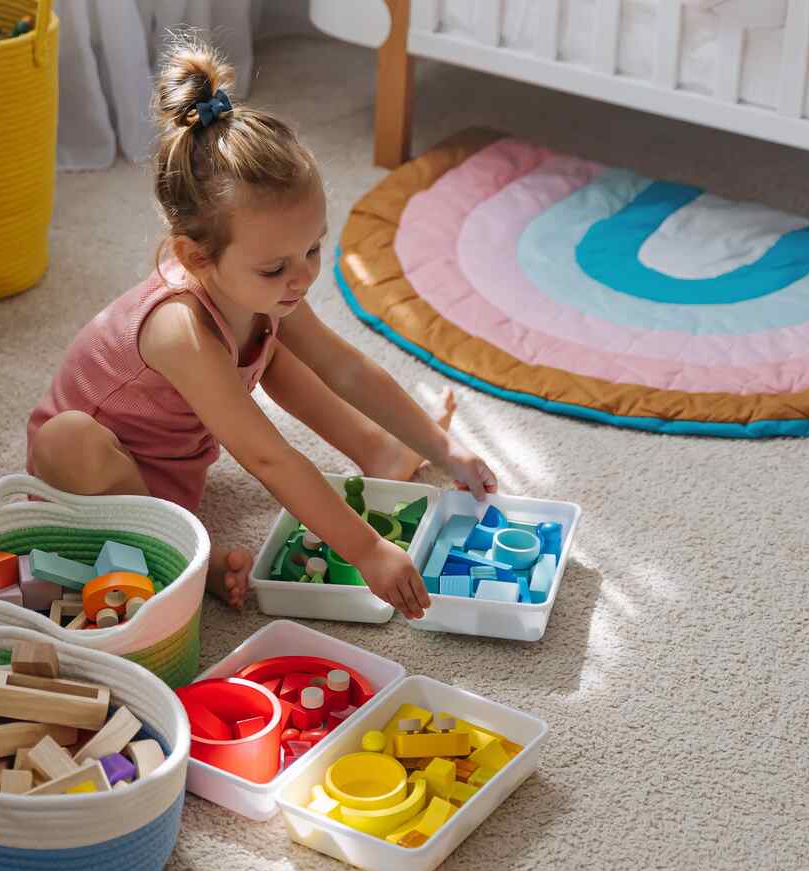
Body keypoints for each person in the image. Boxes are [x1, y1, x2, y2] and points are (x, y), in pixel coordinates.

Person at [26, 35, 498, 619]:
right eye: (276, 266)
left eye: (313, 250)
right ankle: (180, 560)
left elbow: (347, 368)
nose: (301, 278)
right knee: (66, 437)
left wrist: (445, 449)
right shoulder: (179, 329)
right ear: (196, 257)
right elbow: (268, 457)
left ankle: (381, 451)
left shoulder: (267, 288)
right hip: (91, 488)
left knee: (274, 348)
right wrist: (368, 549)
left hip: (173, 477)